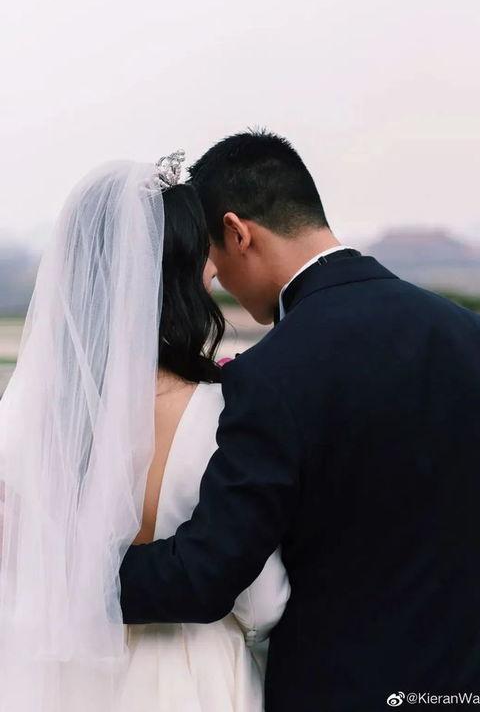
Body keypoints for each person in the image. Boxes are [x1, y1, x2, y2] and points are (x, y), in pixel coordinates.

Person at [119, 131, 480, 711]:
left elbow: (205, 574)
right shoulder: (478, 339)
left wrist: (63, 577)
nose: (215, 277)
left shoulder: (272, 372)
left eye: (214, 255)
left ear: (238, 233)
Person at [0, 156, 289, 712]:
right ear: (178, 277)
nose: (213, 271)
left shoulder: (27, 422)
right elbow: (262, 601)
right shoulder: (221, 415)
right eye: (203, 257)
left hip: (66, 677)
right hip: (190, 674)